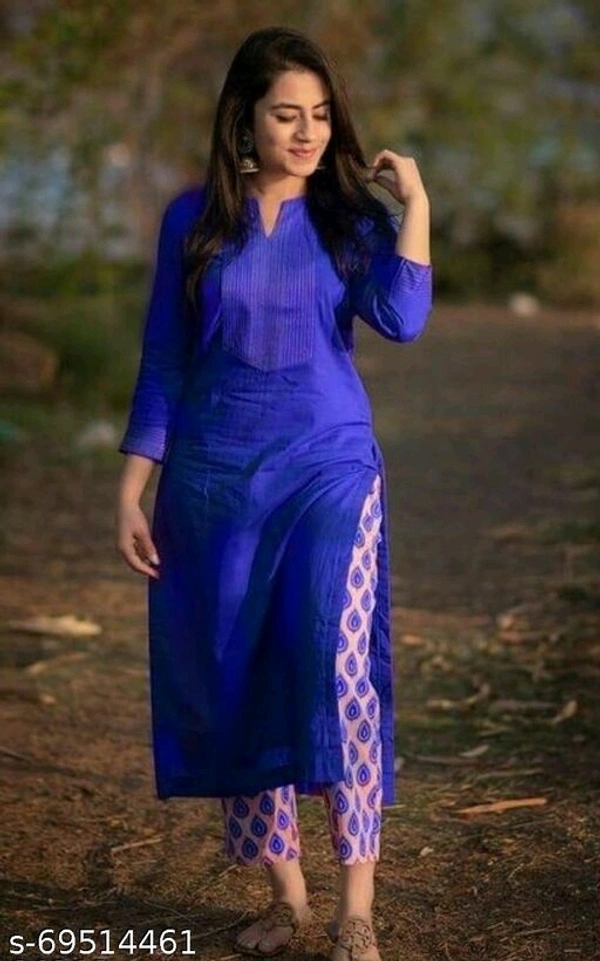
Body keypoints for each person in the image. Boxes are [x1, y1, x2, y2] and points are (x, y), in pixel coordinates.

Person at [116, 25, 432, 961]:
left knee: (336, 669)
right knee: (241, 669)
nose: (306, 133)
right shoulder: (193, 219)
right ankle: (287, 895)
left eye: (320, 115)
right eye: (286, 114)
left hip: (329, 467)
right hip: (215, 481)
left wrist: (415, 203)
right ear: (245, 120)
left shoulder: (348, 216)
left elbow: (403, 316)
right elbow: (165, 361)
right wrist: (132, 489)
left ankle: (355, 907)